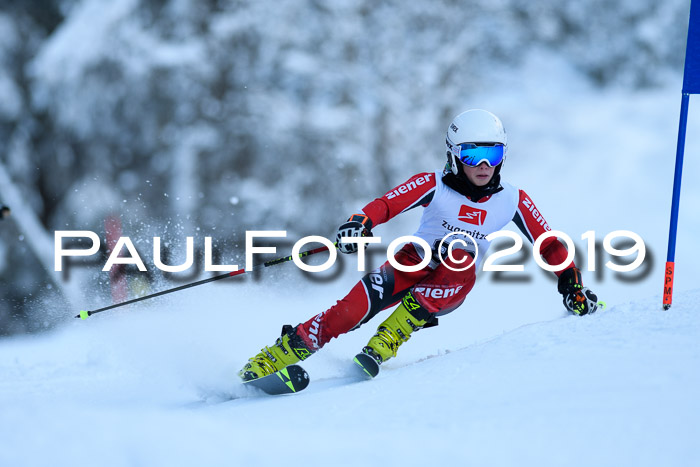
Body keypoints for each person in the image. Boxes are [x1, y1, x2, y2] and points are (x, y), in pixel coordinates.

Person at [238, 109, 599, 381]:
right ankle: (275, 357)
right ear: (454, 155)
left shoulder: (512, 200)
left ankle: (391, 335)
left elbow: (549, 243)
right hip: (410, 265)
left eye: (495, 154)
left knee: (462, 254)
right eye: (473, 155)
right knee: (348, 313)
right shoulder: (433, 185)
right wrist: (359, 224)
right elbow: (387, 204)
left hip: (451, 284)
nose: (485, 165)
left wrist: (571, 283)